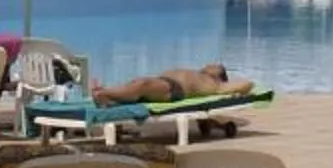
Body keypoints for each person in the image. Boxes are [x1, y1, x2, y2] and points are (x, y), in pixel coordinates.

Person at [91, 61, 234, 106]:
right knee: (137, 84)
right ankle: (108, 97)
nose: (211, 64)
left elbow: (244, 85)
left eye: (217, 66)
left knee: (143, 84)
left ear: (219, 75)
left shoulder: (214, 84)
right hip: (164, 83)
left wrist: (230, 87)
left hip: (174, 88)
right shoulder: (198, 74)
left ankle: (103, 93)